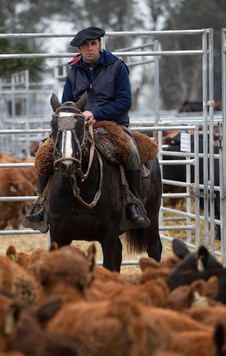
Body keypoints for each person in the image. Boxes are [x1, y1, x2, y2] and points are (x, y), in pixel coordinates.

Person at [25, 26, 148, 227]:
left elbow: (124, 102)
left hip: (112, 123)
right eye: (85, 45)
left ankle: (133, 203)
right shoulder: (74, 70)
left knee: (131, 150)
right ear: (80, 50)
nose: (90, 48)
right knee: (44, 151)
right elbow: (66, 103)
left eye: (93, 44)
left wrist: (96, 113)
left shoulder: (117, 66)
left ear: (100, 45)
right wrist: (74, 117)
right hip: (78, 124)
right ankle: (43, 203)